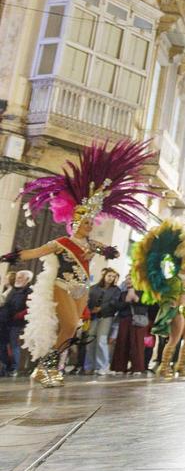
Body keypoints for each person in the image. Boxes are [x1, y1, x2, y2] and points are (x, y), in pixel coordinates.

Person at [2, 140, 153, 387]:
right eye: (85, 222)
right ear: (75, 222)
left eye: (91, 222)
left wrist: (110, 251)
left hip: (81, 289)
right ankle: (46, 368)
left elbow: (107, 251)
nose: (89, 226)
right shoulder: (62, 241)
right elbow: (35, 252)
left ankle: (44, 368)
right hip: (62, 285)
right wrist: (14, 256)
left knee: (71, 331)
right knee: (70, 324)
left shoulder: (92, 245)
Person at [130, 217, 185, 378]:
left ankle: (180, 365)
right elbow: (168, 293)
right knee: (174, 339)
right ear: (184, 262)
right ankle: (164, 366)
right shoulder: (173, 278)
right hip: (177, 311)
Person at [84, 267, 121, 375]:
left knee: (102, 340)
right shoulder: (94, 288)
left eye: (113, 277)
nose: (111, 278)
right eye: (109, 276)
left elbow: (114, 302)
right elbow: (88, 300)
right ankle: (89, 365)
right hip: (93, 317)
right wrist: (90, 310)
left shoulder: (116, 290)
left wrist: (101, 308)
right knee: (90, 340)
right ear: (104, 276)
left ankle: (102, 366)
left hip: (106, 316)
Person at [0, 270, 32, 377]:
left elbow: (29, 308)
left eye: (21, 277)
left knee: (14, 345)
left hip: (17, 323)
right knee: (2, 345)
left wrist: (18, 315)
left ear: (27, 280)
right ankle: (6, 366)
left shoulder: (29, 291)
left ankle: (14, 368)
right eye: (17, 277)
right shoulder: (12, 290)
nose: (17, 279)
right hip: (5, 322)